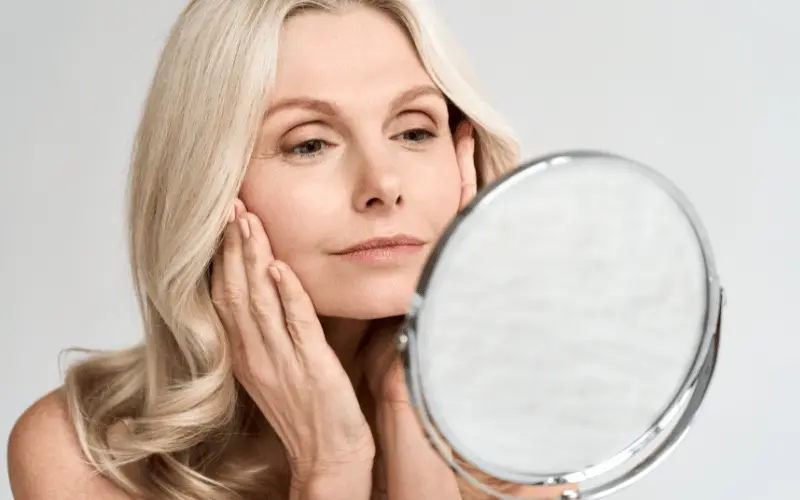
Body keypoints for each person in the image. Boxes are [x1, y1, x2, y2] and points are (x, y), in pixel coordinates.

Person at [7, 1, 573, 499]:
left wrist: (409, 409)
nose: (383, 182)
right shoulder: (87, 455)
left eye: (414, 131)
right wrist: (330, 466)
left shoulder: (521, 442)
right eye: (309, 143)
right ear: (210, 185)